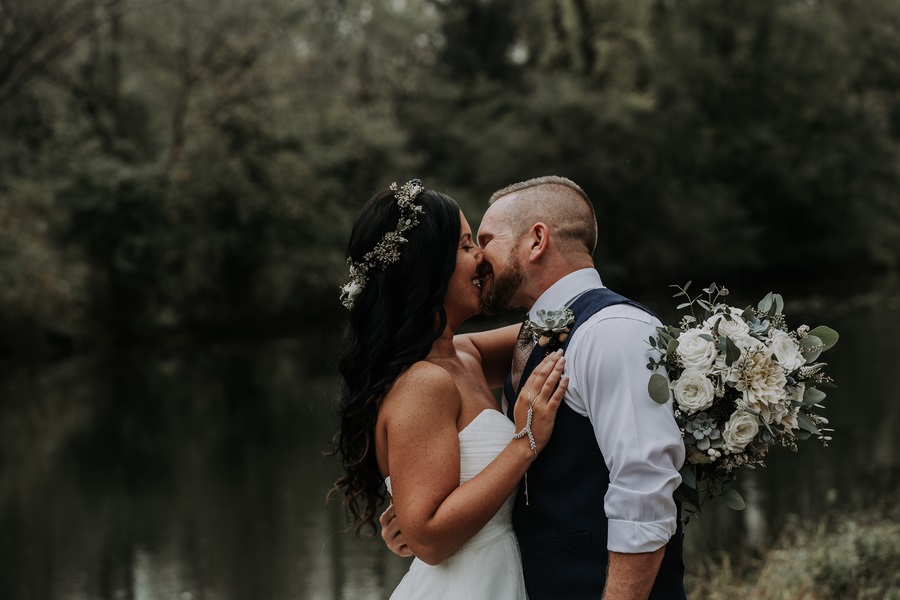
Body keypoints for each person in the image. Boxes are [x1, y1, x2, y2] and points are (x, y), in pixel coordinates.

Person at [381, 176, 688, 600]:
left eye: (483, 240)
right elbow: (437, 364)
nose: (479, 257)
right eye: (467, 244)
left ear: (536, 240)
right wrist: (417, 512)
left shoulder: (611, 333)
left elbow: (644, 492)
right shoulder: (521, 338)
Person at [330, 179, 569, 599]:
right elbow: (430, 541)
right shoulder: (425, 382)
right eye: (464, 246)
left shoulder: (464, 355)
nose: (480, 256)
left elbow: (565, 322)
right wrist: (525, 440)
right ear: (427, 269)